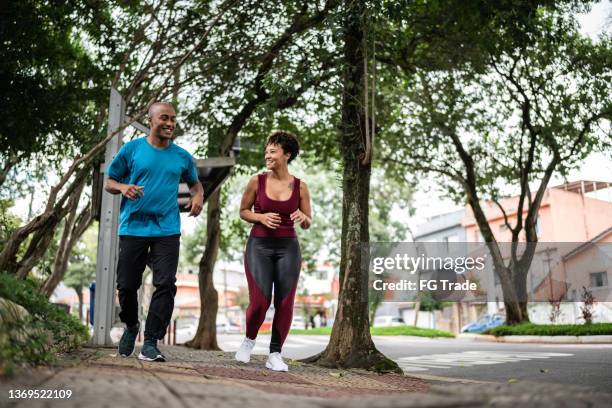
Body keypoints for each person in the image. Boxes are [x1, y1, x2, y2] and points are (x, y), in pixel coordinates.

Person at [105, 102, 204, 362]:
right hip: (133, 227)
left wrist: (197, 198)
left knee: (166, 283)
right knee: (126, 286)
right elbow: (109, 181)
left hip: (167, 229)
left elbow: (196, 185)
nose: (170, 124)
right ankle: (131, 325)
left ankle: (150, 341)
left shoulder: (182, 156)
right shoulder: (132, 149)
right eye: (164, 118)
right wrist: (124, 188)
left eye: (173, 119)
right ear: (151, 120)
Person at [235, 130, 312, 372]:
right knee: (260, 302)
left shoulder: (300, 187)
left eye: (273, 151)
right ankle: (248, 341)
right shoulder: (256, 181)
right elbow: (243, 211)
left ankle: (275, 354)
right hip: (259, 246)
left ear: (287, 154)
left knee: (285, 302)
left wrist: (303, 217)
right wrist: (261, 217)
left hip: (288, 247)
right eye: (266, 151)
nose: (267, 155)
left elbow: (308, 220)